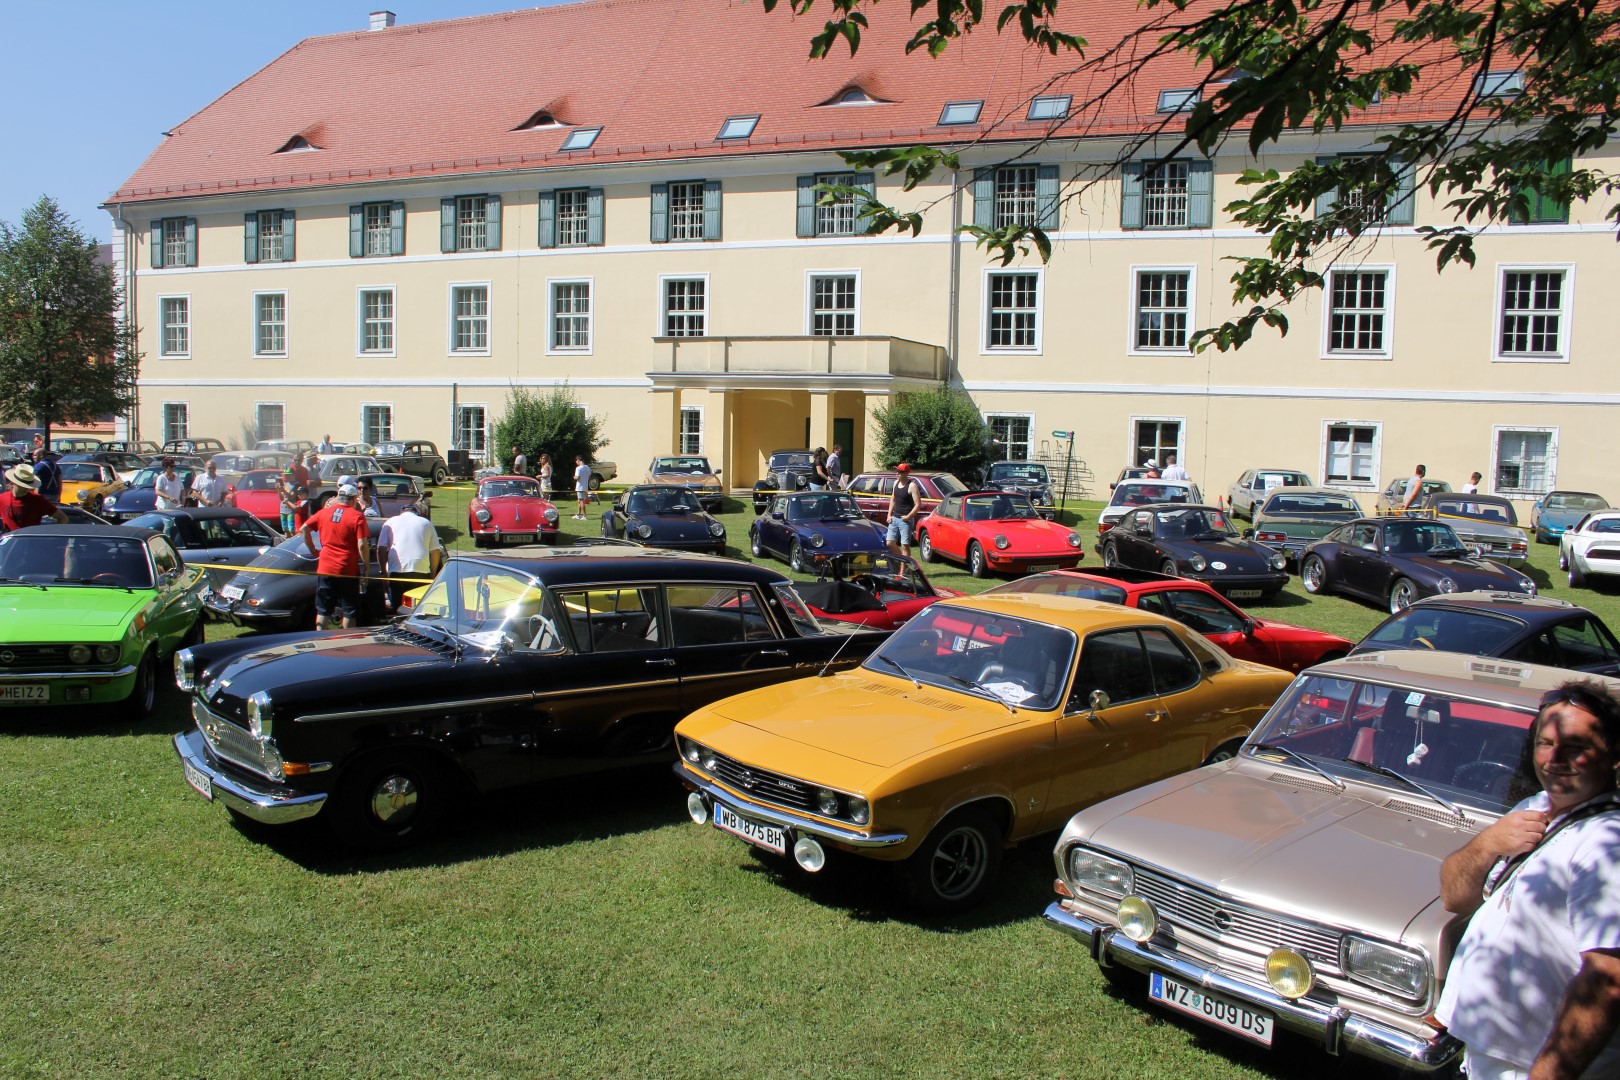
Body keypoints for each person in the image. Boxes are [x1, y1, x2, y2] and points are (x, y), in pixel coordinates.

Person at [1436, 680, 1620, 1079]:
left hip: (1534, 1065)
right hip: (1490, 1051)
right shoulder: (1533, 808)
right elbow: (1454, 897)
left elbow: (1607, 980)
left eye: (1574, 747)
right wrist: (1487, 843)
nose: (1554, 758)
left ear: (1614, 756)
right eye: (1544, 742)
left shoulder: (1608, 843)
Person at [301, 482, 370, 629]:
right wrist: (366, 567)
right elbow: (362, 544)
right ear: (354, 499)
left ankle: (320, 639)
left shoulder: (324, 512)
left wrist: (313, 550)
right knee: (349, 609)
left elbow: (304, 528)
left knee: (323, 609)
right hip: (347, 569)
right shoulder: (357, 516)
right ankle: (348, 640)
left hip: (326, 566)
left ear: (339, 497)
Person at [377, 499, 444, 610]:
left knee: (399, 607)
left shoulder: (390, 521)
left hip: (397, 571)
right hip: (421, 570)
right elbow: (435, 552)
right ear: (416, 512)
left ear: (401, 513)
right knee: (419, 609)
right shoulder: (426, 523)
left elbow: (381, 548)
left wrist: (383, 573)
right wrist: (432, 574)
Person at [0, 463, 67, 530]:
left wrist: (52, 536)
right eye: (23, 486)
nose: (26, 488)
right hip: (10, 539)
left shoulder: (38, 500)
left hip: (31, 539)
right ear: (13, 482)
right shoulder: (2, 498)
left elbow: (63, 518)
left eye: (28, 486)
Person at [885, 463, 925, 558]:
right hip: (894, 518)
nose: (897, 473)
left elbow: (918, 504)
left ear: (907, 473)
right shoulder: (895, 483)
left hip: (905, 520)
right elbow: (893, 499)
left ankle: (903, 568)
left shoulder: (912, 486)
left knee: (905, 545)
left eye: (900, 472)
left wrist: (908, 517)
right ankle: (903, 561)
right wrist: (889, 515)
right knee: (889, 543)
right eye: (897, 471)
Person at [277, 468, 299, 535]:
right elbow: (281, 498)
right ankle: (289, 538)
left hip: (290, 509)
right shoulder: (286, 484)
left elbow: (292, 496)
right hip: (283, 508)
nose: (287, 476)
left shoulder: (296, 484)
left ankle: (293, 538)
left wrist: (284, 491)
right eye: (286, 475)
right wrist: (279, 489)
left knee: (291, 528)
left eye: (289, 475)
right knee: (285, 528)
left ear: (293, 475)